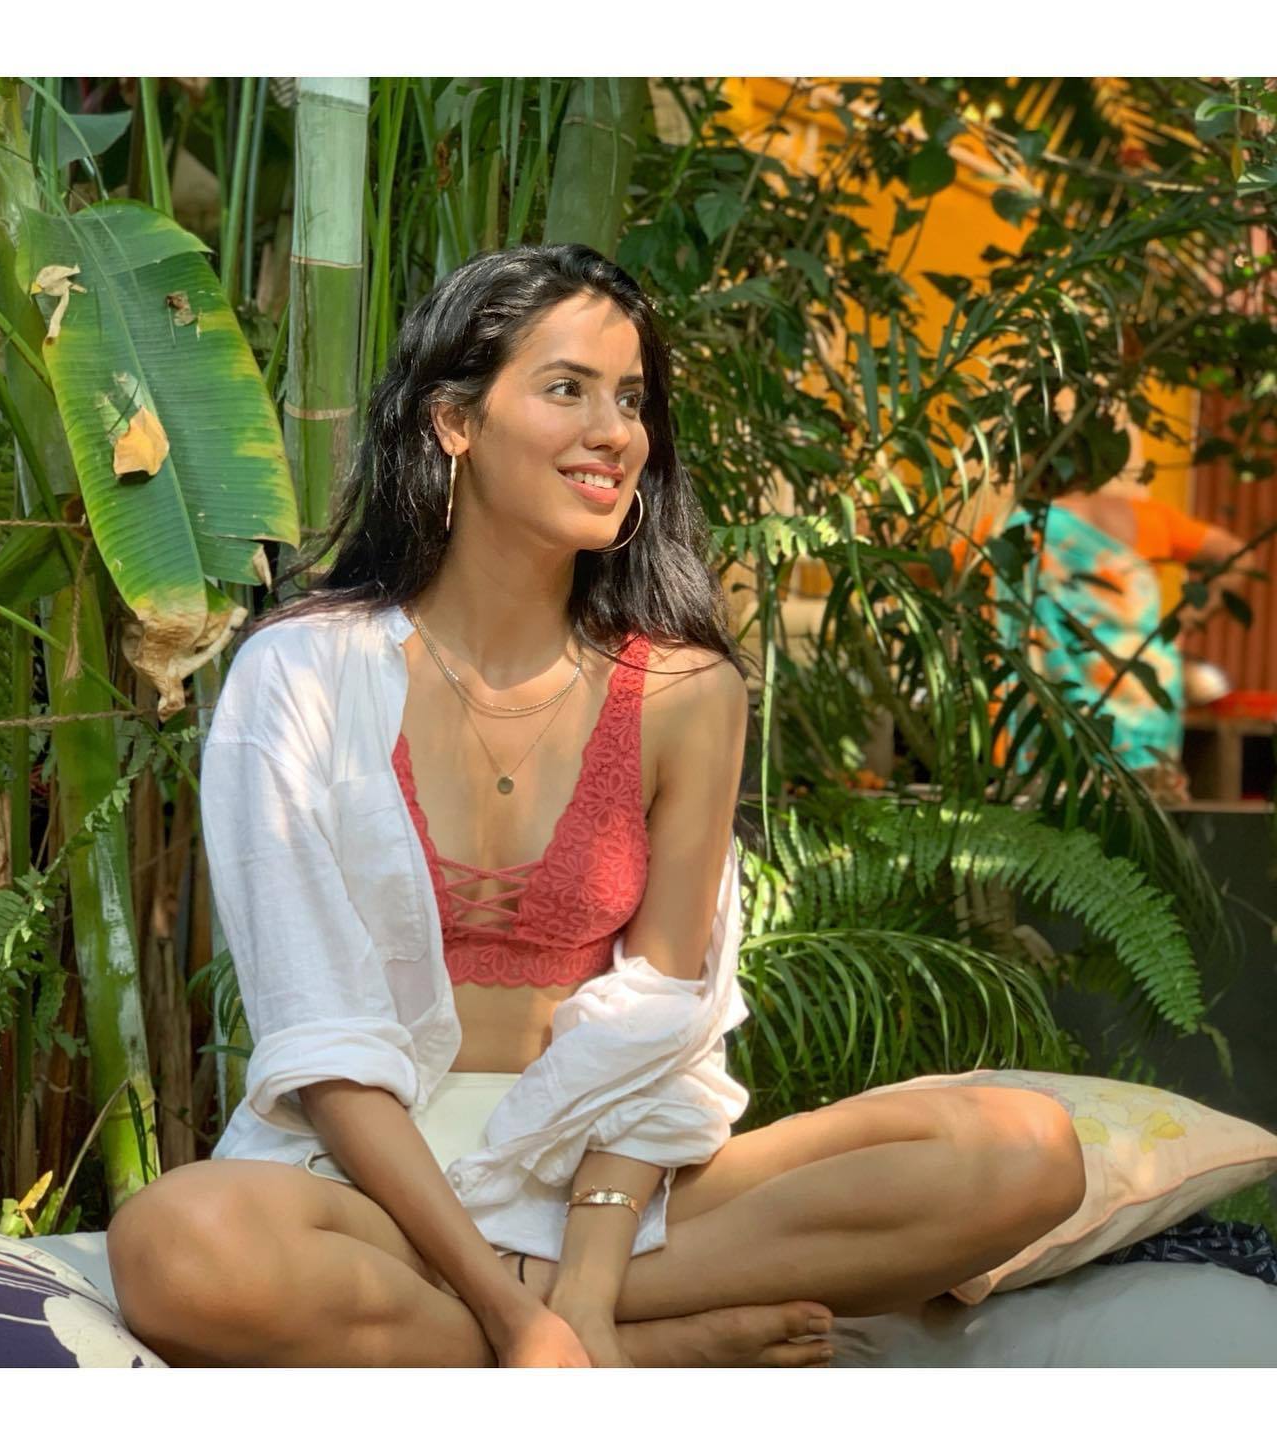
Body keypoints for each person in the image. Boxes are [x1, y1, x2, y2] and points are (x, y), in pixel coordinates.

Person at [106, 243, 1087, 1368]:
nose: (613, 431)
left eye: (631, 399)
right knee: (180, 1247)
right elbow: (320, 1042)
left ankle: (563, 1326)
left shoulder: (685, 692)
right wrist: (512, 1311)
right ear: (453, 422)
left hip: (604, 1179)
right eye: (567, 389)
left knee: (1025, 1153)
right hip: (364, 1186)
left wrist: (582, 1285)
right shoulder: (301, 672)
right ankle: (659, 1346)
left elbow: (663, 1016)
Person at [999, 469, 1248, 803]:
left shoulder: (1025, 526)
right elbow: (1239, 556)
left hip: (1067, 696)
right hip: (1147, 690)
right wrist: (1185, 620)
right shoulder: (1149, 517)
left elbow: (949, 575)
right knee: (1149, 810)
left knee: (1065, 811)